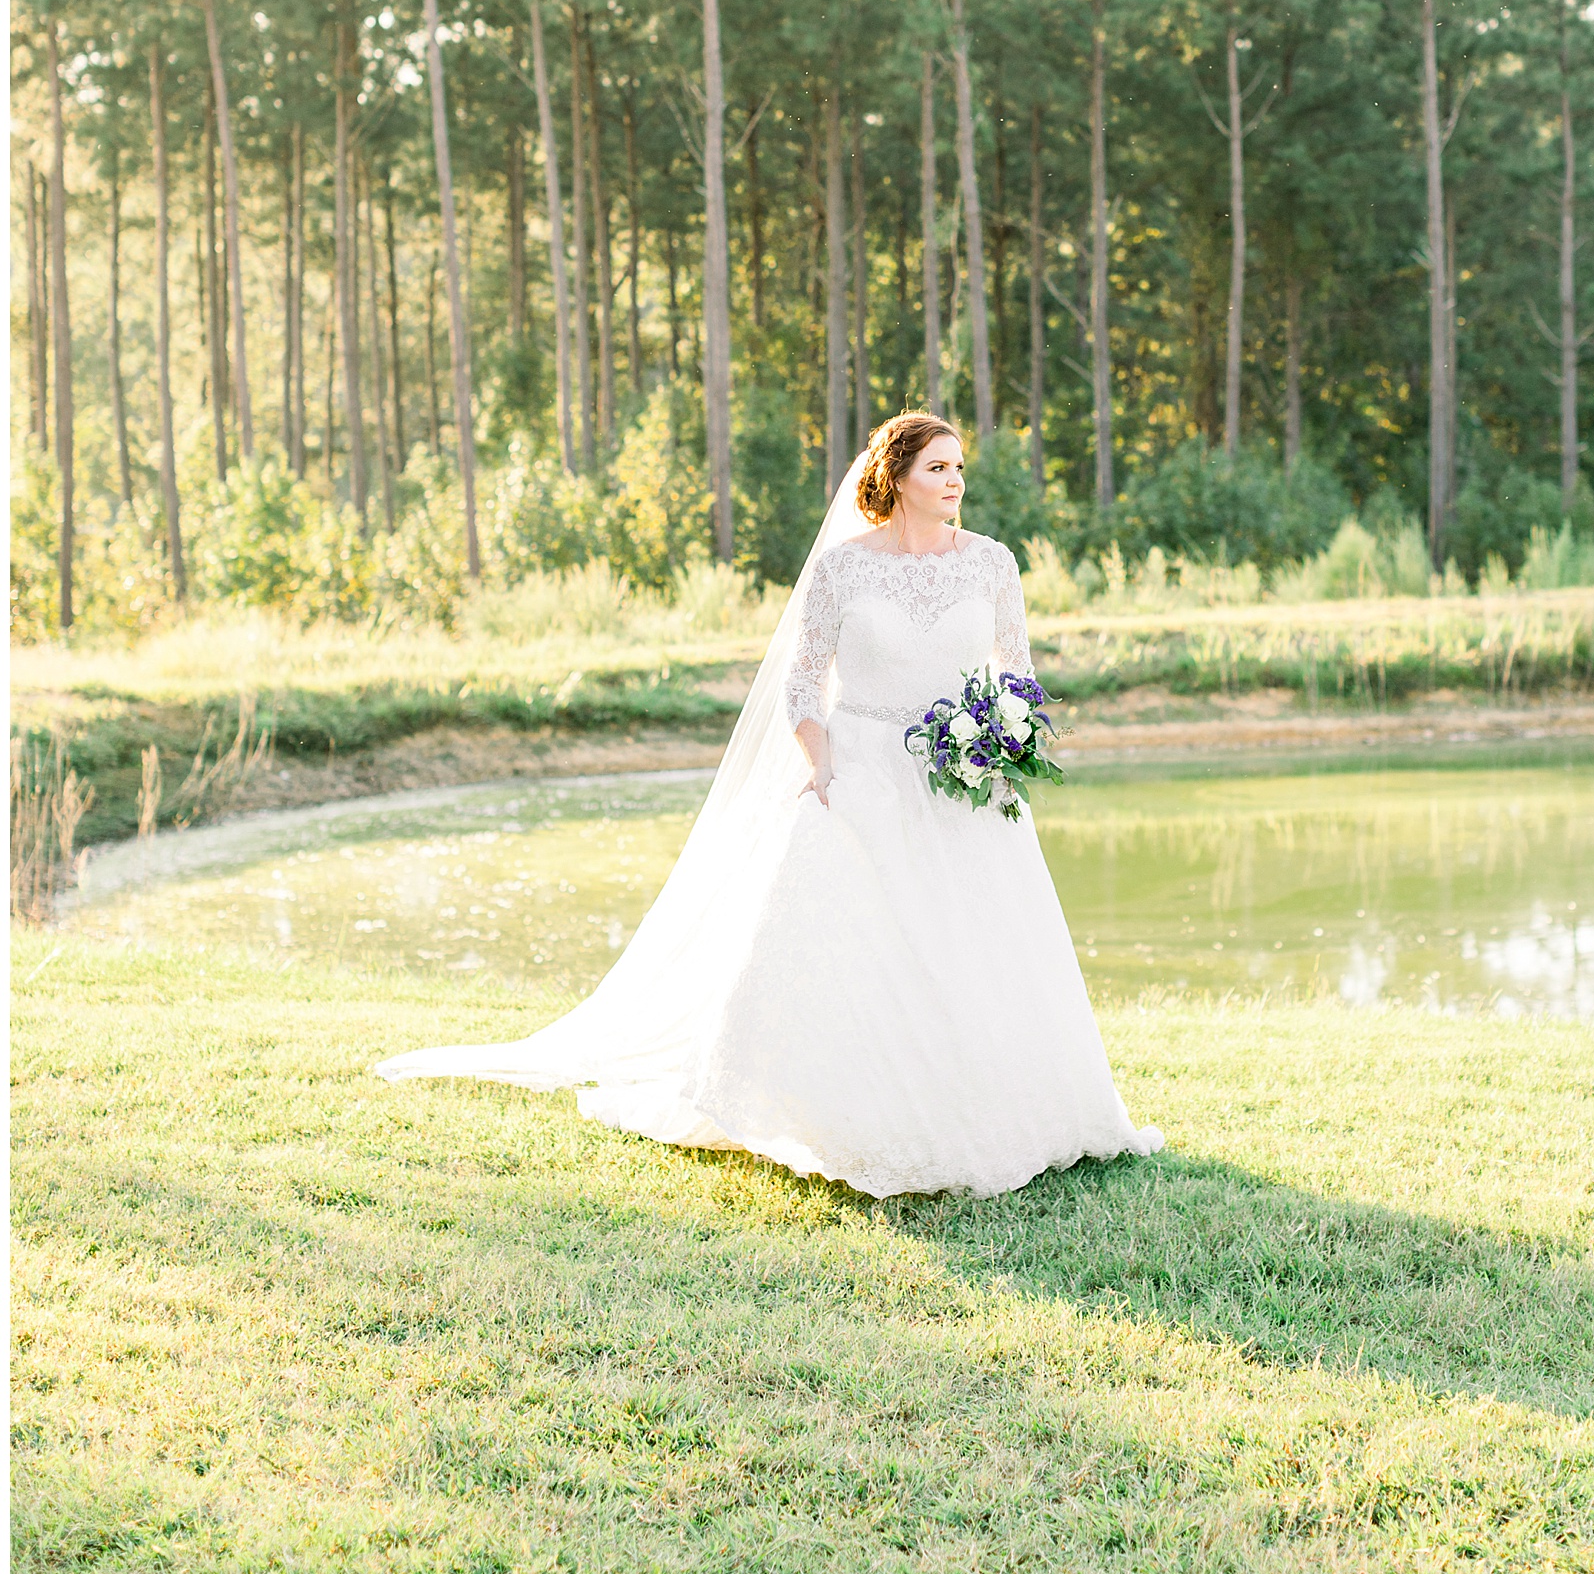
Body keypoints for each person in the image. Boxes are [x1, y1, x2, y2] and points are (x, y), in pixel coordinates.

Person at [376, 410, 1163, 1198]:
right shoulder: (845, 568)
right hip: (857, 779)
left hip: (964, 783)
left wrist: (1004, 743)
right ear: (895, 477)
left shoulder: (992, 564)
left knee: (973, 951)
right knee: (854, 953)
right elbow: (802, 680)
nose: (955, 482)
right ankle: (845, 1117)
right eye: (938, 469)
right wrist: (820, 767)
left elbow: (1015, 672)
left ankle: (1007, 1108)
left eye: (960, 469)